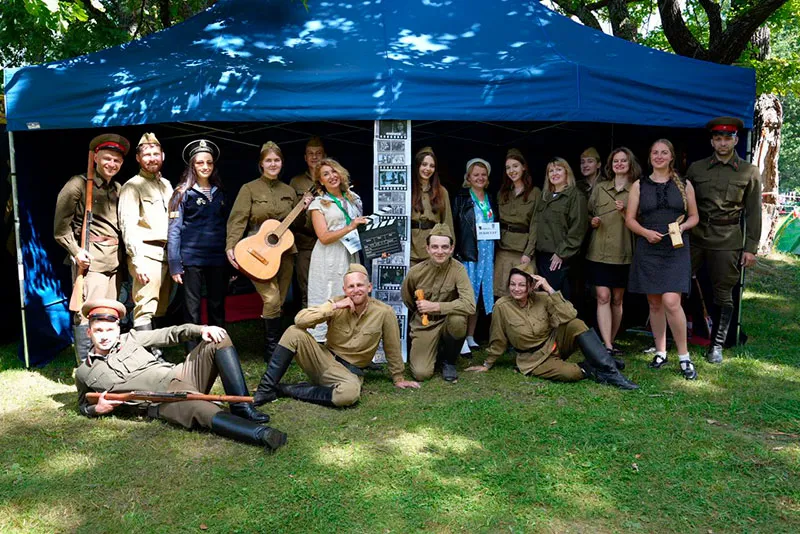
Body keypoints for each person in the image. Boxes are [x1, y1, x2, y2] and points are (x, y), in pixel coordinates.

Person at [74, 299, 286, 451]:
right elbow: (83, 405)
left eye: (109, 330)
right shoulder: (84, 372)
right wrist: (96, 409)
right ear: (89, 332)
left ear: (117, 329)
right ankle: (262, 435)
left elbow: (169, 333)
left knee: (218, 337)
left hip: (180, 373)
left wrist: (201, 329)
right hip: (162, 400)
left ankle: (242, 408)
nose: (104, 336)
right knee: (201, 410)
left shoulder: (131, 339)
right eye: (99, 330)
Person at [252, 264, 420, 407]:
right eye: (351, 287)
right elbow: (300, 320)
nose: (356, 290)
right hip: (323, 359)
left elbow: (392, 346)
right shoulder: (336, 303)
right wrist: (335, 306)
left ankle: (284, 389)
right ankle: (266, 389)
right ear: (345, 289)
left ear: (369, 287)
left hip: (348, 372)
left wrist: (398, 377)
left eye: (360, 285)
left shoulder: (384, 312)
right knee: (293, 332)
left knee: (349, 394)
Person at [465, 264, 638, 389]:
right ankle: (596, 364)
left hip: (555, 343)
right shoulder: (502, 306)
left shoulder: (543, 298)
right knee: (571, 374)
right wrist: (488, 364)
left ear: (531, 286)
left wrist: (549, 289)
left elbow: (570, 315)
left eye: (521, 284)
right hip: (534, 359)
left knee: (576, 324)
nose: (516, 289)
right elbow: (498, 339)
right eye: (512, 284)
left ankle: (611, 372)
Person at [686, 117, 762, 363]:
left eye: (727, 138)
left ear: (736, 141)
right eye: (718, 138)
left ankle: (717, 344)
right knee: (677, 283)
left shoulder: (749, 172)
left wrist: (750, 248)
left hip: (728, 238)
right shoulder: (696, 169)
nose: (722, 143)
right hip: (696, 236)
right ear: (711, 141)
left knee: (723, 294)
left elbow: (754, 212)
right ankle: (675, 334)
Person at [226, 141, 311, 362]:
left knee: (279, 301)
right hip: (256, 251)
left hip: (284, 252)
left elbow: (299, 223)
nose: (273, 164)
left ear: (282, 163)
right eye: (268, 160)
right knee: (272, 299)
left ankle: (278, 347)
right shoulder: (249, 189)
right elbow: (238, 220)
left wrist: (305, 207)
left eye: (277, 160)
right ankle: (272, 349)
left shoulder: (289, 190)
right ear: (261, 164)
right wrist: (230, 246)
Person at [626, 139, 699, 379]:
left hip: (676, 248)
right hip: (649, 247)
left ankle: (684, 357)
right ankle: (660, 352)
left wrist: (683, 227)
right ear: (650, 157)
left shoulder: (684, 184)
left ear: (671, 157)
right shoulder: (639, 185)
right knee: (655, 303)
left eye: (664, 152)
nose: (659, 156)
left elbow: (694, 217)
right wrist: (646, 233)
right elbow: (630, 219)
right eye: (655, 152)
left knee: (671, 301)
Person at [54, 133, 130, 363]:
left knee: (109, 315)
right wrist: (76, 251)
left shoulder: (117, 188)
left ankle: (107, 366)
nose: (111, 164)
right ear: (95, 158)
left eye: (117, 160)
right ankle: (87, 368)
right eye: (107, 158)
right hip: (91, 263)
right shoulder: (78, 184)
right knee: (87, 315)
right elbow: (60, 228)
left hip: (113, 263)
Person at [167, 140, 229, 347]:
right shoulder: (181, 193)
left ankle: (219, 348)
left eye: (209, 163)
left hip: (217, 258)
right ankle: (192, 351)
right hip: (191, 258)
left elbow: (226, 227)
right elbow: (174, 229)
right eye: (200, 163)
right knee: (191, 308)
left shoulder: (220, 192)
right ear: (192, 166)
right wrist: (175, 263)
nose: (205, 167)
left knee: (217, 305)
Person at [118, 133, 174, 351]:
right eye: (147, 155)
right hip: (146, 253)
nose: (152, 158)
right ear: (139, 159)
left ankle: (156, 350)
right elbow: (128, 226)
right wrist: (138, 261)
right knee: (145, 306)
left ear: (163, 156)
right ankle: (146, 356)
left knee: (160, 307)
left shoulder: (167, 185)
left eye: (155, 154)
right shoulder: (133, 187)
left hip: (166, 254)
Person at [401, 223, 476, 382]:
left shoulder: (458, 270)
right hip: (425, 324)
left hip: (447, 321)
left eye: (444, 247)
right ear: (427, 248)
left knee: (457, 320)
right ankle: (433, 349)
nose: (440, 251)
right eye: (434, 247)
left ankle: (449, 361)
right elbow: (407, 298)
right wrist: (423, 311)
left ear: (451, 248)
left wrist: (436, 307)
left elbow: (470, 304)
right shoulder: (416, 272)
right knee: (421, 373)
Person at [306, 158, 368, 341]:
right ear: (321, 181)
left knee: (353, 290)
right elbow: (323, 237)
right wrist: (350, 227)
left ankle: (350, 336)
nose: (332, 176)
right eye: (326, 174)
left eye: (334, 171)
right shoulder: (319, 203)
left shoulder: (354, 198)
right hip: (329, 255)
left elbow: (360, 227)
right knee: (329, 291)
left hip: (350, 251)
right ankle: (324, 338)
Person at [586, 147, 640, 357]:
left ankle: (612, 339)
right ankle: (607, 345)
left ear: (630, 164)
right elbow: (589, 213)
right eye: (615, 161)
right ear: (610, 165)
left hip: (623, 251)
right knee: (602, 296)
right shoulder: (600, 188)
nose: (619, 164)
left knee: (617, 299)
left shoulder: (636, 189)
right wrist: (593, 221)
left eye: (623, 161)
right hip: (599, 251)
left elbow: (641, 220)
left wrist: (625, 211)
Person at [452, 158, 498, 351]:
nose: (480, 178)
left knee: (479, 295)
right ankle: (460, 337)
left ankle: (471, 336)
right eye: (475, 174)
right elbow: (454, 225)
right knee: (466, 294)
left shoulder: (491, 198)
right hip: (468, 253)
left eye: (483, 174)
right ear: (468, 178)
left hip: (487, 254)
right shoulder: (461, 198)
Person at [534, 158, 588, 301]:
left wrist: (561, 253)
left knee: (557, 298)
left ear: (567, 172)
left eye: (558, 169)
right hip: (542, 256)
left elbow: (578, 228)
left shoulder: (575, 196)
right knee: (544, 298)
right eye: (551, 171)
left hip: (560, 257)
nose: (554, 173)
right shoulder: (544, 196)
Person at [495, 148, 540, 299]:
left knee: (524, 294)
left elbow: (535, 225)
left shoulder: (535, 193)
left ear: (524, 167)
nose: (511, 171)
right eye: (508, 167)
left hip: (523, 252)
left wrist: (528, 253)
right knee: (502, 294)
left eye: (515, 166)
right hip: (503, 251)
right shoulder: (502, 193)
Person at [289, 136, 326, 308]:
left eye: (318, 153)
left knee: (328, 286)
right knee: (306, 289)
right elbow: (291, 217)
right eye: (310, 153)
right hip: (305, 242)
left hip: (327, 241)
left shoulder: (331, 178)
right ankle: (306, 330)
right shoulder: (296, 182)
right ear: (305, 157)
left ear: (324, 155)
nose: (314, 157)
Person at [410, 146, 454, 266]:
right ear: (417, 165)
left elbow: (447, 222)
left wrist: (449, 252)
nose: (427, 169)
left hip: (434, 252)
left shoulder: (441, 192)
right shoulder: (408, 191)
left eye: (432, 166)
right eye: (424, 164)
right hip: (411, 252)